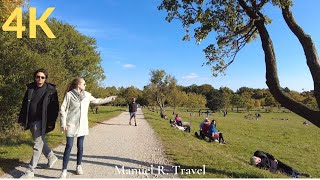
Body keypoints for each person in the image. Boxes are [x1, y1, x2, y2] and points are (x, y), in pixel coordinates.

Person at [59, 78, 116, 178]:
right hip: (71, 125)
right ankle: (64, 170)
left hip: (82, 125)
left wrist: (110, 98)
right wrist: (63, 123)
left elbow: (97, 101)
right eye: (84, 84)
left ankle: (78, 166)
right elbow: (63, 109)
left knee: (80, 147)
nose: (85, 85)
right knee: (69, 146)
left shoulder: (87, 95)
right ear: (78, 85)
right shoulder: (69, 95)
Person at [18, 68, 59, 178]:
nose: (39, 79)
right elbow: (24, 105)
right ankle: (51, 156)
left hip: (42, 121)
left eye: (42, 77)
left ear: (45, 79)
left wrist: (51, 122)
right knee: (40, 141)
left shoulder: (51, 90)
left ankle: (30, 171)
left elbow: (55, 108)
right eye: (37, 77)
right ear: (35, 77)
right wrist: (22, 120)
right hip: (31, 120)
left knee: (37, 144)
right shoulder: (30, 88)